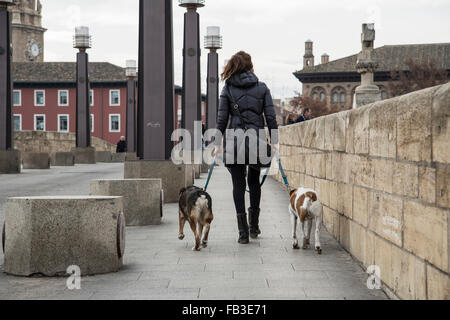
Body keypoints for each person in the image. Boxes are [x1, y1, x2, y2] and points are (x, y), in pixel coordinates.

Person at [214, 51, 279, 244]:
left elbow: (221, 119)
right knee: (254, 181)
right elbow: (271, 117)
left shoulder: (227, 89)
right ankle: (254, 226)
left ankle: (242, 233)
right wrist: (274, 140)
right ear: (250, 67)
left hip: (234, 139)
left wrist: (217, 144)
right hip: (257, 139)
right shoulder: (262, 87)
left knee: (238, 185)